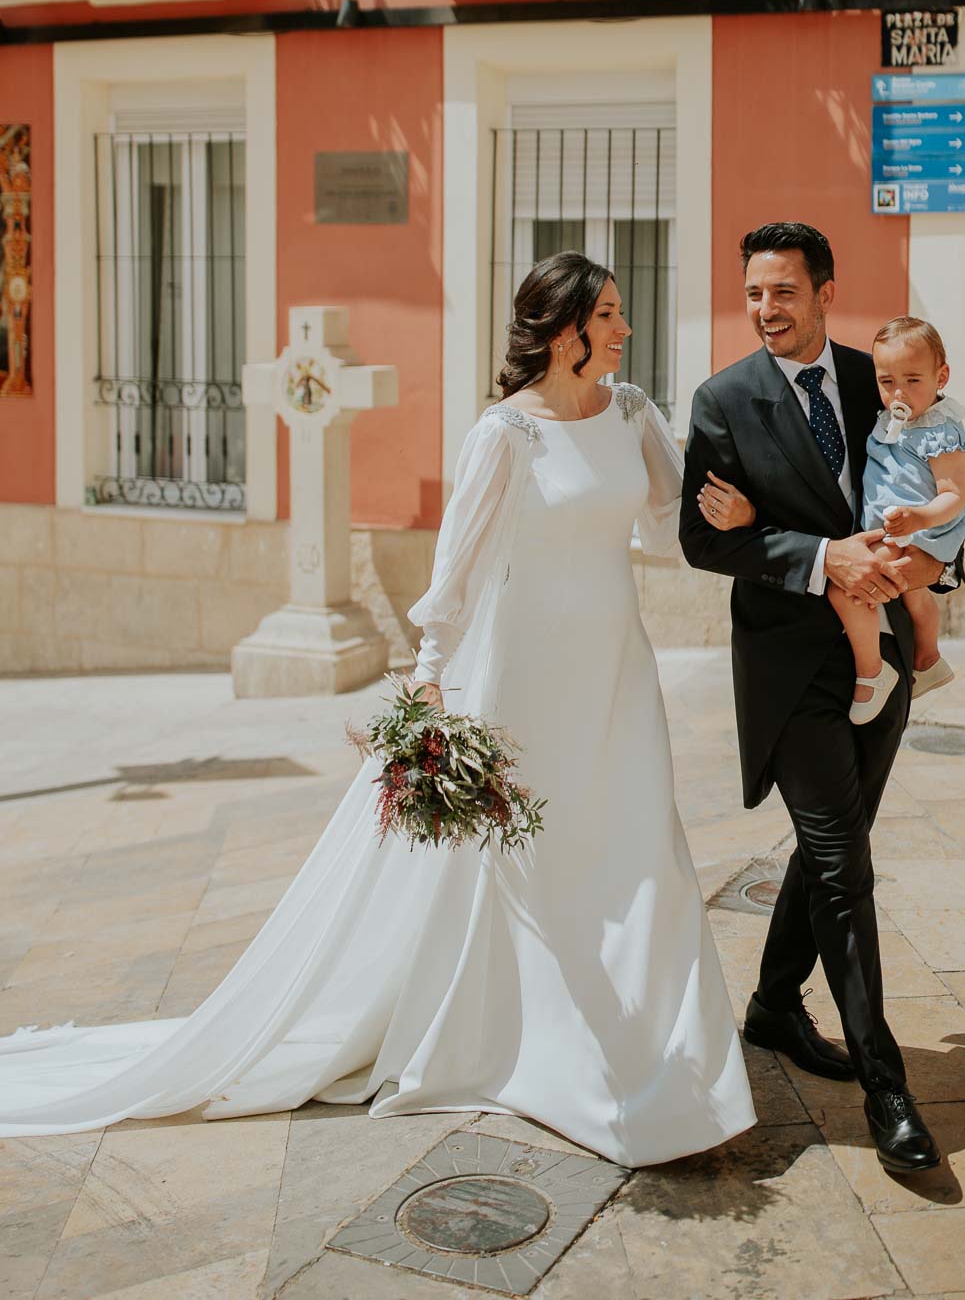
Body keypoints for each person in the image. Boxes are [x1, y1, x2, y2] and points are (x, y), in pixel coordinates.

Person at [0, 254, 757, 1170]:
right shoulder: (504, 436)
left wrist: (732, 509)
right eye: (608, 313)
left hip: (617, 672)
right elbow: (457, 573)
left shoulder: (631, 411)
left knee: (646, 855)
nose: (624, 329)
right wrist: (432, 681)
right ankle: (544, 1045)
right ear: (565, 332)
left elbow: (664, 526)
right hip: (525, 677)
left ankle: (669, 1071)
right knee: (537, 862)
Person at [680, 222, 961, 1175]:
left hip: (877, 650)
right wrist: (812, 556)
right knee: (844, 865)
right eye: (755, 292)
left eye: (784, 292)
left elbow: (932, 478)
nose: (766, 309)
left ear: (825, 292)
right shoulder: (722, 400)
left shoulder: (875, 374)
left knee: (832, 841)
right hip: (791, 662)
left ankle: (770, 1004)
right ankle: (887, 1084)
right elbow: (702, 541)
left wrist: (924, 570)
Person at [828, 316, 965, 720]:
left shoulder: (940, 431)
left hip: (921, 532)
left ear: (941, 376)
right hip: (895, 530)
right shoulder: (894, 419)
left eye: (913, 380)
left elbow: (954, 496)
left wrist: (918, 518)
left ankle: (872, 672)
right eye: (887, 382)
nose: (898, 393)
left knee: (848, 589)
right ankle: (927, 659)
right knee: (914, 597)